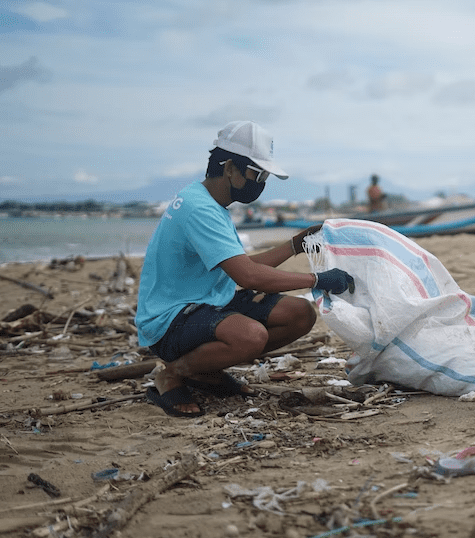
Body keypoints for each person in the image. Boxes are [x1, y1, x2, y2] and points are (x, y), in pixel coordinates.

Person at [136, 120, 354, 417]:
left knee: (299, 314)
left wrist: (296, 245)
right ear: (229, 169)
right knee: (250, 336)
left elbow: (242, 265)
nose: (261, 182)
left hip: (208, 303)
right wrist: (317, 279)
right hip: (170, 320)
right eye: (257, 173)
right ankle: (173, 374)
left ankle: (203, 371)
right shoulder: (199, 208)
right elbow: (248, 276)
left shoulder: (209, 203)